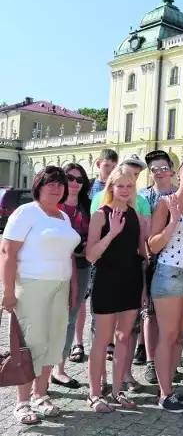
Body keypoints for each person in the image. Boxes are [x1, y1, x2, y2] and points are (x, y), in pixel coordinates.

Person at [1, 166, 80, 425]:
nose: (56, 188)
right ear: (38, 185)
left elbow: (68, 254)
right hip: (32, 285)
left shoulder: (63, 216)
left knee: (53, 343)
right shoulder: (26, 212)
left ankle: (40, 395)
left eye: (60, 184)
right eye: (50, 183)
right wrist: (8, 291)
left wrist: (73, 288)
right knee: (31, 345)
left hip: (61, 285)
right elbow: (7, 253)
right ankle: (22, 402)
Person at [85, 167, 147, 412]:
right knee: (101, 340)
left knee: (124, 338)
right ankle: (94, 394)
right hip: (106, 280)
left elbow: (141, 254)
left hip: (131, 280)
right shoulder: (101, 215)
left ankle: (118, 388)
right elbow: (90, 255)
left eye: (129, 186)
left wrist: (143, 288)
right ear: (110, 187)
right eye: (119, 185)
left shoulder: (135, 215)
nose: (124, 190)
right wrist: (111, 233)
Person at [148, 157, 183, 413]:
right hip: (170, 273)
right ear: (178, 175)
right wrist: (173, 220)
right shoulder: (165, 203)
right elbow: (153, 244)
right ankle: (164, 394)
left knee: (180, 336)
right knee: (168, 335)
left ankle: (168, 386)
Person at [137, 150, 177, 384]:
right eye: (155, 169)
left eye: (164, 168)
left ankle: (170, 359)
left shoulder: (180, 195)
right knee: (150, 314)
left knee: (171, 316)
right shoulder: (142, 197)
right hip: (150, 260)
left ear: (172, 169)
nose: (160, 173)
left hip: (176, 261)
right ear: (150, 173)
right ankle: (151, 362)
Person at [51, 163, 92, 389]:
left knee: (70, 318)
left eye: (80, 179)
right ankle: (41, 370)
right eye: (70, 177)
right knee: (50, 318)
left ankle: (60, 369)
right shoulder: (53, 205)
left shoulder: (87, 205)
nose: (75, 183)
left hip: (82, 266)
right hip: (55, 268)